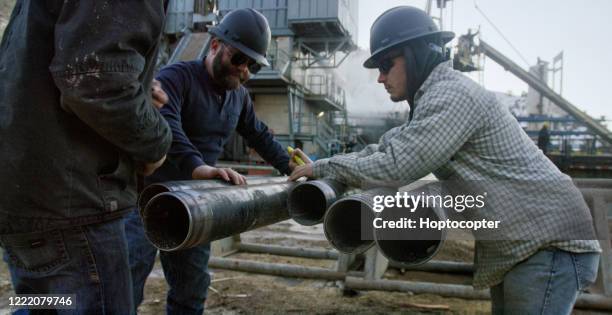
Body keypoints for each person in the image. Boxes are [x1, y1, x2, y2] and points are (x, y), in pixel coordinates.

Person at [290, 6, 601, 314]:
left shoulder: (451, 96)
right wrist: (324, 164)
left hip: (548, 243)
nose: (381, 78)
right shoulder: (433, 100)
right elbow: (384, 150)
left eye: (386, 64)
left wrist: (324, 167)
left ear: (415, 55)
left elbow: (395, 167)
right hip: (530, 245)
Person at [125, 8, 300, 314]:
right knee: (124, 286)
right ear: (216, 46)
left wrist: (294, 169)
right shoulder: (176, 78)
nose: (243, 70)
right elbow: (167, 124)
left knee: (191, 291)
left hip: (192, 206)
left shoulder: (240, 98)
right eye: (238, 59)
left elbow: (260, 136)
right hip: (146, 200)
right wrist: (198, 167)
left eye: (253, 66)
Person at [0, 1, 171, 313]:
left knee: (41, 306)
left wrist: (139, 87)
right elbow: (96, 81)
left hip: (24, 198)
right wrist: (157, 142)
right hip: (75, 209)